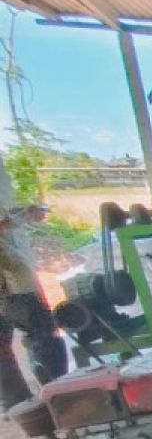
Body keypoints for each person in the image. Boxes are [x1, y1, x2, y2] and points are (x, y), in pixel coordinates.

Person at [0, 162, 66, 409]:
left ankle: (18, 402)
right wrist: (24, 216)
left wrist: (20, 214)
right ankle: (56, 391)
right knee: (41, 332)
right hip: (10, 283)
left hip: (11, 278)